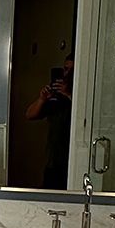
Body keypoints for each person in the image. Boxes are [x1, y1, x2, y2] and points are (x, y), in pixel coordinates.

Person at [26, 52, 75, 190]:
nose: (67, 74)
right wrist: (42, 99)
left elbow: (84, 117)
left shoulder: (81, 96)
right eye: (66, 69)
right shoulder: (55, 97)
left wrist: (69, 94)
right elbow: (30, 115)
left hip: (73, 161)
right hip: (53, 160)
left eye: (72, 70)